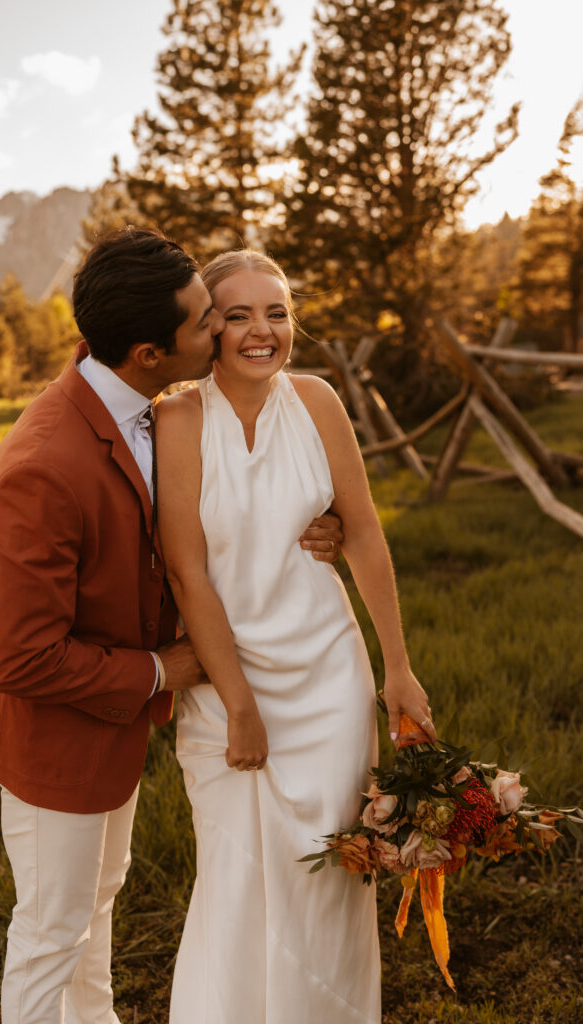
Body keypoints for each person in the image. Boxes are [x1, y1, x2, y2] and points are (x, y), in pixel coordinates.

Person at [0, 227, 343, 1024]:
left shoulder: (138, 400)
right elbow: (22, 659)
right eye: (206, 321)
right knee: (48, 934)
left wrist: (314, 523)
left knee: (96, 907)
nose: (224, 329)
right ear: (148, 351)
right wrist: (165, 670)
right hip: (54, 742)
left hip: (110, 730)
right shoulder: (41, 464)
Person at [156, 250, 436, 1024]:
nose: (260, 331)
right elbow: (187, 575)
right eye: (237, 314)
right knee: (237, 878)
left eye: (275, 312)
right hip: (223, 686)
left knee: (328, 881)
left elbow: (365, 531)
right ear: (209, 326)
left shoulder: (316, 401)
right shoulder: (177, 418)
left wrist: (397, 670)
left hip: (328, 679)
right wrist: (239, 704)